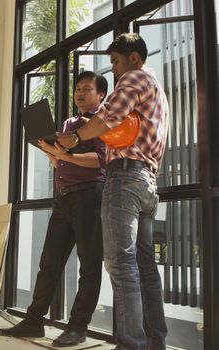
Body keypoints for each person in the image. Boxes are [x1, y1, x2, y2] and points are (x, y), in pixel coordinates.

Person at [57, 33, 169, 350]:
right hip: (148, 182)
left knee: (121, 265)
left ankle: (130, 344)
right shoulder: (159, 91)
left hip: (125, 179)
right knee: (145, 266)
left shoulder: (135, 78)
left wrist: (73, 139)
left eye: (116, 62)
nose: (115, 71)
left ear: (134, 58)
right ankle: (153, 343)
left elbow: (107, 118)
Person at [0, 71, 108, 347]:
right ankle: (34, 320)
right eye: (77, 89)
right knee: (49, 262)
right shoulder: (69, 122)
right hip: (63, 197)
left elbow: (100, 160)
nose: (80, 93)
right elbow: (61, 163)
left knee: (89, 264)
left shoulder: (101, 121)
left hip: (89, 196)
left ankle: (77, 327)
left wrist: (65, 154)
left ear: (101, 95)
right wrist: (50, 151)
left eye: (87, 88)